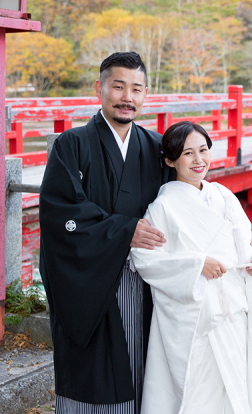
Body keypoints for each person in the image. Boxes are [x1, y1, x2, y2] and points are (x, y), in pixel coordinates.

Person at [39, 52, 172, 413]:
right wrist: (125, 231)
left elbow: (190, 198)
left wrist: (243, 233)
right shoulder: (72, 145)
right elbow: (61, 215)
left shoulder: (157, 147)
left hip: (148, 279)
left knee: (147, 370)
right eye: (118, 87)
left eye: (136, 89)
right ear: (99, 88)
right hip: (90, 283)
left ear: (146, 94)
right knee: (97, 376)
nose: (127, 97)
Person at [130, 121, 252, 414]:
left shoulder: (223, 195)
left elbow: (242, 242)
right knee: (197, 388)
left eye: (203, 150)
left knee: (233, 383)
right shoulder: (162, 207)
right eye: (188, 153)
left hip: (232, 309)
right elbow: (144, 259)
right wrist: (197, 265)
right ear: (170, 161)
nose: (198, 160)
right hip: (194, 314)